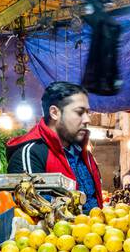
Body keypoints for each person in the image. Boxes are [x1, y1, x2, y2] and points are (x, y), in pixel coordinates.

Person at [6, 81, 102, 210]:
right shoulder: (30, 154)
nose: (87, 120)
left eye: (87, 112)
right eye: (79, 112)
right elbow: (32, 208)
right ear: (54, 113)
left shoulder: (83, 152)